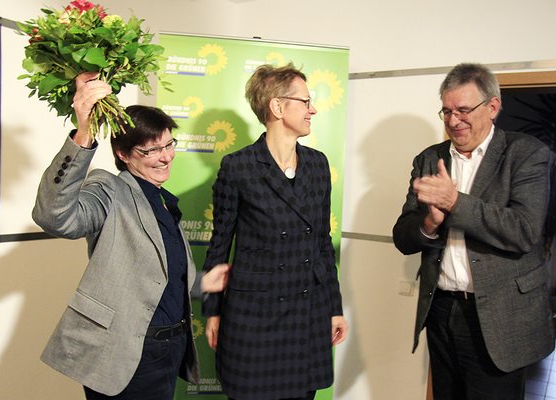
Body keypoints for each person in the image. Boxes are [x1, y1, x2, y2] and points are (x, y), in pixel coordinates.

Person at [32, 71, 230, 399]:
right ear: (123, 154)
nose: (166, 157)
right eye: (151, 151)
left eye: (169, 145)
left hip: (168, 350)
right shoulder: (110, 189)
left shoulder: (164, 201)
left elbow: (155, 275)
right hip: (124, 353)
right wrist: (84, 132)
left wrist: (202, 283)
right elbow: (54, 217)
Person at [392, 62, 555, 400]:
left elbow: (524, 231)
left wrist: (455, 203)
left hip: (500, 318)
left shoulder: (525, 155)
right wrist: (430, 223)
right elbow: (403, 237)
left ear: (492, 107)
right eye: (447, 111)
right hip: (441, 311)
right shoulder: (428, 159)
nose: (454, 121)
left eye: (464, 110)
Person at [201, 63, 348, 400]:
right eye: (306, 101)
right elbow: (219, 246)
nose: (314, 109)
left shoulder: (318, 165)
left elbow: (322, 244)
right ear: (278, 106)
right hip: (254, 319)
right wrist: (212, 310)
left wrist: (334, 307)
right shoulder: (238, 167)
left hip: (307, 315)